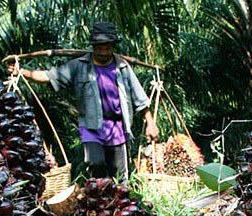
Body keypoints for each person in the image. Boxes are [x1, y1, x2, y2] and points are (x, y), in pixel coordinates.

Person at [9, 21, 158, 181]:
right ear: (93, 46)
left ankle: (119, 201)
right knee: (96, 164)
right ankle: (100, 198)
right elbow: (48, 77)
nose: (103, 51)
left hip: (117, 128)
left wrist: (150, 123)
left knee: (119, 175)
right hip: (91, 126)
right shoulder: (79, 66)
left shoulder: (122, 67)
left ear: (113, 46)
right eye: (99, 47)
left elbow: (140, 98)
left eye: (107, 47)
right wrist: (23, 72)